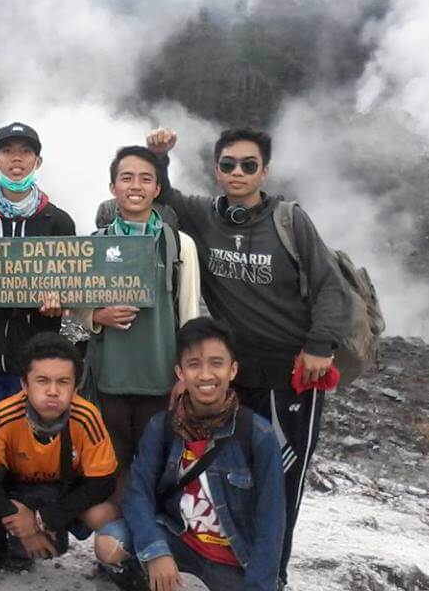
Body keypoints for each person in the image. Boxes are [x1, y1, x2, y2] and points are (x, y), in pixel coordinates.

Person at [146, 126, 351, 586]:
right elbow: (168, 198)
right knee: (232, 472)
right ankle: (238, 562)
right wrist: (159, 155)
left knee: (280, 478)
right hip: (234, 375)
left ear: (265, 170)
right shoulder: (207, 217)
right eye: (228, 164)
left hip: (290, 375)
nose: (237, 173)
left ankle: (271, 576)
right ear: (217, 168)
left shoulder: (289, 220)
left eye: (248, 165)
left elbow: (329, 287)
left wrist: (320, 345)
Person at [95, 317, 285, 591]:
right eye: (194, 365)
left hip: (233, 561)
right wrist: (156, 550)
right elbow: (138, 494)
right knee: (109, 543)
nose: (205, 375)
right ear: (180, 373)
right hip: (179, 543)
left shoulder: (257, 435)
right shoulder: (162, 427)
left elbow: (272, 523)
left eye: (216, 364)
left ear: (232, 370)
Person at [0, 332, 119, 588]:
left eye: (63, 382)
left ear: (75, 387)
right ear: (24, 384)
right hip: (12, 489)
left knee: (104, 513)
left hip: (63, 493)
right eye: (42, 381)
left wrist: (46, 518)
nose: (53, 391)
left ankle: (111, 563)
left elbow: (103, 482)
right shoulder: (4, 413)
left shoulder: (87, 417)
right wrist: (14, 514)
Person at [80, 146, 201, 492]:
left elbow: (189, 314)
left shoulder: (180, 245)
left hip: (160, 379)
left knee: (157, 464)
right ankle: (119, 538)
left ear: (157, 188)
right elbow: (75, 307)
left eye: (146, 179)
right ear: (112, 187)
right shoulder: (96, 244)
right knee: (114, 464)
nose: (136, 186)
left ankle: (149, 538)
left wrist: (186, 376)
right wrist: (97, 315)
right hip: (109, 379)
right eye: (127, 177)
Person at [0, 122, 76, 438]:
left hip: (37, 356)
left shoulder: (59, 222)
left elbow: (71, 282)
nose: (16, 159)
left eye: (25, 152)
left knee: (35, 441)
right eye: (7, 151)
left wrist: (60, 303)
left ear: (38, 162)